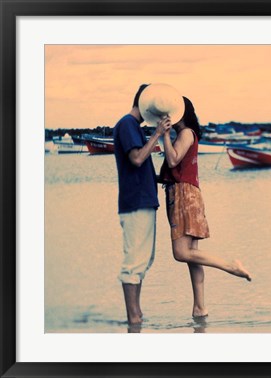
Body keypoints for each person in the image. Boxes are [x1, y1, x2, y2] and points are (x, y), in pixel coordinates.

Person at [157, 96, 252, 318]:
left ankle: (231, 266)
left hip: (184, 196)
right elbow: (172, 169)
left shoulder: (186, 133)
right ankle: (200, 308)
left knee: (181, 254)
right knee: (192, 256)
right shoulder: (187, 134)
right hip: (188, 194)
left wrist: (164, 135)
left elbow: (172, 160)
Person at [113, 84, 169, 326]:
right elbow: (136, 159)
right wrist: (157, 134)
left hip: (143, 201)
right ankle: (133, 316)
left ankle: (136, 315)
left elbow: (139, 164)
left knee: (144, 261)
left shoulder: (133, 127)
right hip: (136, 202)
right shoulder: (127, 124)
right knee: (134, 262)